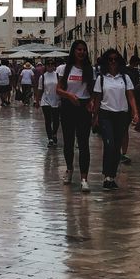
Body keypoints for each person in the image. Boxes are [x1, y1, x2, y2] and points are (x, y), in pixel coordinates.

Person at [93, 51, 139, 189]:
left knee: (117, 146)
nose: (113, 62)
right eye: (110, 59)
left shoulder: (125, 78)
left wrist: (135, 112)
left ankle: (111, 176)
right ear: (106, 62)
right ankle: (107, 176)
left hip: (121, 115)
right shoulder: (101, 79)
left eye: (115, 59)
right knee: (109, 144)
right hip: (106, 114)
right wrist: (95, 117)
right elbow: (98, 98)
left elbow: (130, 96)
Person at [56, 40, 94, 192]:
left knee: (84, 143)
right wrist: (69, 95)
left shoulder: (89, 70)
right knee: (68, 142)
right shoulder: (64, 69)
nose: (82, 52)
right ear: (73, 51)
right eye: (79, 49)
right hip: (68, 107)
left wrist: (92, 102)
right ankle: (70, 169)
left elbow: (93, 91)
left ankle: (84, 178)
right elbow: (58, 90)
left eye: (84, 50)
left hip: (84, 108)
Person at [36, 60, 61, 146]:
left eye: (52, 64)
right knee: (48, 120)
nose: (50, 66)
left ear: (54, 66)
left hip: (56, 100)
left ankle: (54, 133)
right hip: (45, 100)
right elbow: (40, 89)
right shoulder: (42, 77)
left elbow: (61, 88)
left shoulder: (57, 76)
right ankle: (50, 138)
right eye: (48, 64)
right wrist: (37, 100)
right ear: (45, 66)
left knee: (56, 120)